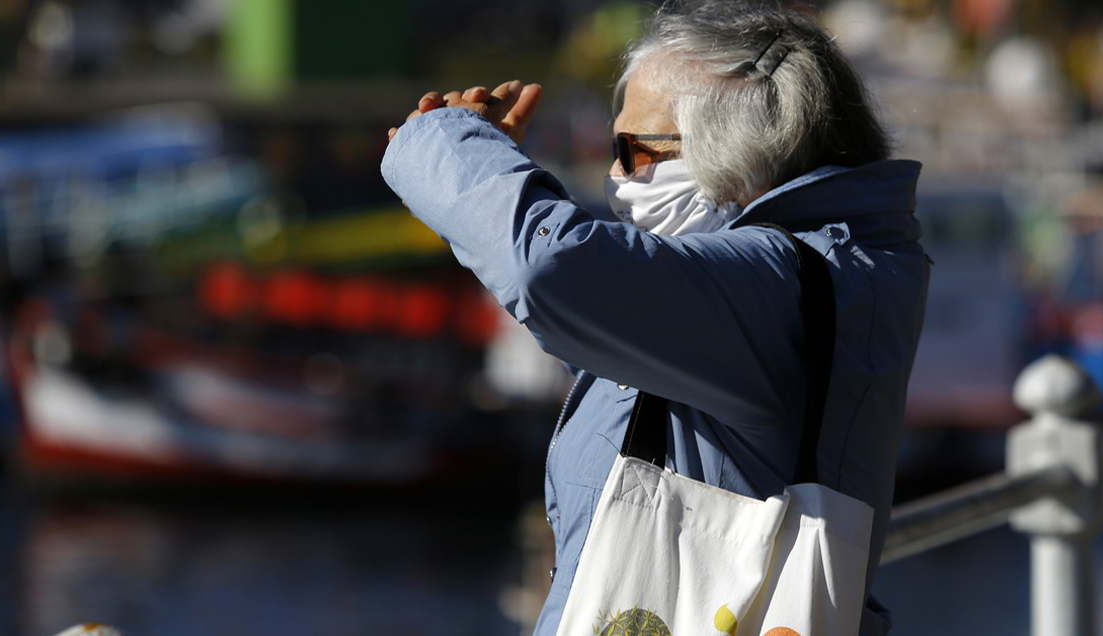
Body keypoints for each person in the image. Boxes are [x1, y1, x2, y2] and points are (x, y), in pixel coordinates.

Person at [381, 2, 929, 635]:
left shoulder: (774, 288)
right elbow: (597, 294)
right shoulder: (814, 272)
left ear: (735, 149)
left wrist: (443, 144)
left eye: (633, 150)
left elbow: (552, 270)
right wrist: (479, 197)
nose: (614, 175)